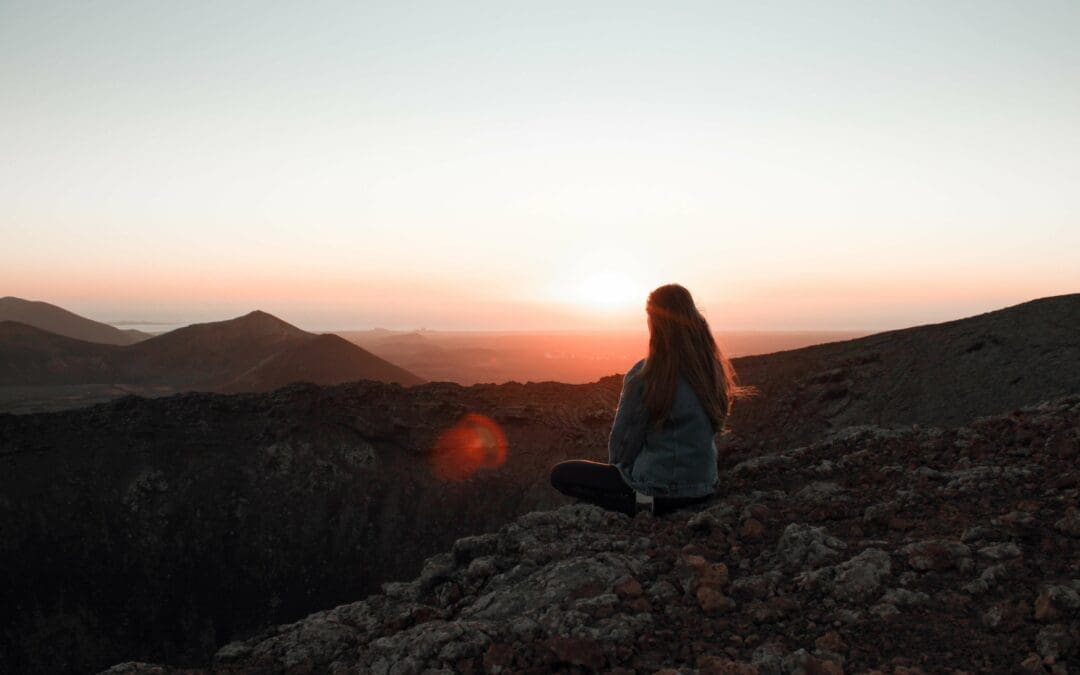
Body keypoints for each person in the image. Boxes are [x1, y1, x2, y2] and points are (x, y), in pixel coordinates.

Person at [549, 283, 741, 516]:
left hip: (656, 493)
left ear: (655, 322)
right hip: (703, 489)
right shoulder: (710, 371)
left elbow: (624, 443)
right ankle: (643, 503)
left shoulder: (646, 374)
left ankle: (638, 506)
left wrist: (620, 478)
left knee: (561, 474)